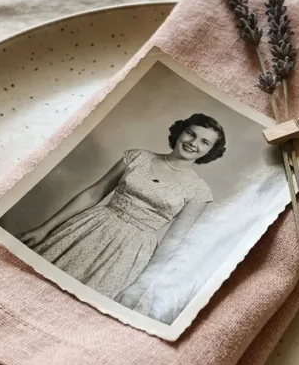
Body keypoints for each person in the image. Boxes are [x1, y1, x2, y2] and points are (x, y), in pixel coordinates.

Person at [19, 114, 226, 311]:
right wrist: (44, 228)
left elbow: (173, 241)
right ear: (181, 132)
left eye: (205, 142)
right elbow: (94, 193)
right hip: (90, 229)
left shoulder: (199, 191)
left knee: (79, 306)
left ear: (209, 151)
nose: (194, 143)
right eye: (191, 133)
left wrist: (142, 285)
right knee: (35, 287)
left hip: (130, 253)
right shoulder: (138, 157)